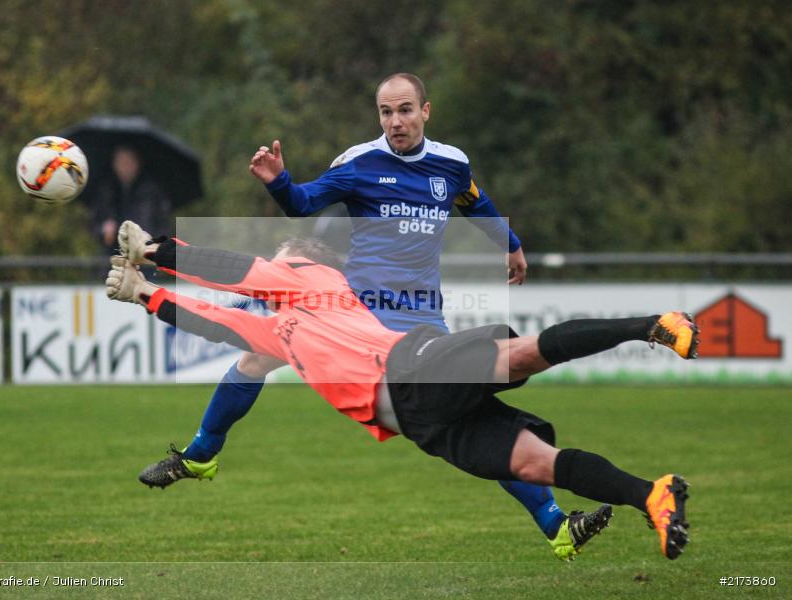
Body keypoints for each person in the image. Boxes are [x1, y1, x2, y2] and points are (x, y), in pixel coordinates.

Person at [177, 73, 594, 561]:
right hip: (355, 311)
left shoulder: (451, 164)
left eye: (404, 110)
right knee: (257, 356)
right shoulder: (358, 162)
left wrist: (510, 246)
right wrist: (279, 182)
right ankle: (202, 451)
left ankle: (554, 524)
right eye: (385, 112)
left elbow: (474, 201)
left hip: (420, 317)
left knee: (467, 419)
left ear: (425, 111)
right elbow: (305, 203)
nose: (395, 121)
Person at [106, 221, 699, 561]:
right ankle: (651, 495)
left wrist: (157, 252)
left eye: (279, 260)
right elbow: (215, 322)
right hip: (422, 425)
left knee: (525, 354)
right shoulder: (278, 330)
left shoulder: (311, 277)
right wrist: (143, 294)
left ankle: (651, 325)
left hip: (412, 367)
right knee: (537, 464)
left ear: (302, 263)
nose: (270, 267)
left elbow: (235, 268)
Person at [90, 145, 172, 253]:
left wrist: (152, 242)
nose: (125, 166)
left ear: (138, 163)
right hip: (113, 257)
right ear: (114, 164)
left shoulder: (153, 191)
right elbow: (93, 224)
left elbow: (164, 226)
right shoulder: (106, 190)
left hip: (145, 257)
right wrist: (103, 230)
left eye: (129, 161)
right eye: (121, 161)